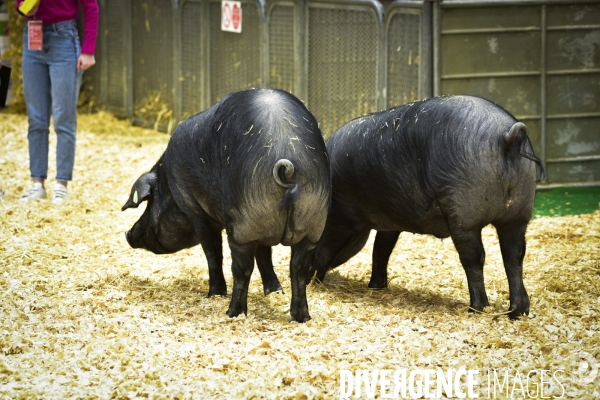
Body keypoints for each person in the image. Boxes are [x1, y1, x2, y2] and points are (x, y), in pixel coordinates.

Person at [16, 0, 98, 204]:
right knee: (36, 119)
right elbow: (20, 3)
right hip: (32, 35)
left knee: (64, 118)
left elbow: (91, 6)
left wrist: (88, 50)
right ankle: (37, 184)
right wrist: (24, 7)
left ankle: (61, 184)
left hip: (64, 37)